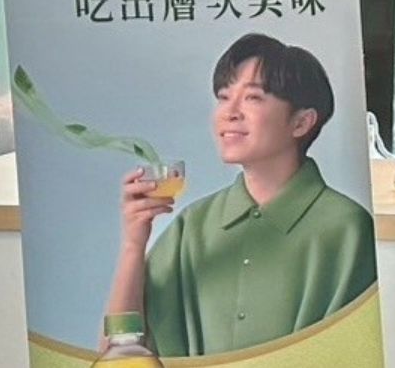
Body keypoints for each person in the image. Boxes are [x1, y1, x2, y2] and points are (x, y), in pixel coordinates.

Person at [104, 33, 377, 357]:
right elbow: (115, 353)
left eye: (253, 97)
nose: (229, 112)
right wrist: (133, 245)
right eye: (223, 97)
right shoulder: (193, 226)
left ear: (301, 122)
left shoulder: (347, 228)